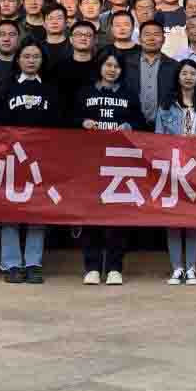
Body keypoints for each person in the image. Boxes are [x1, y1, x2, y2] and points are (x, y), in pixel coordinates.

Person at [0, 39, 60, 285]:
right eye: (26, 56)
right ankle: (11, 264)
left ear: (42, 61)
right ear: (18, 59)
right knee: (10, 210)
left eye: (36, 57)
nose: (31, 61)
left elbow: (59, 125)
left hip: (41, 159)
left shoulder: (51, 89)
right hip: (11, 158)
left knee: (37, 210)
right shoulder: (5, 87)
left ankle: (33, 263)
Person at [72, 47, 143, 286]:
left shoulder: (129, 94)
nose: (112, 70)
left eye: (117, 66)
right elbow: (70, 119)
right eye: (108, 65)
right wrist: (82, 122)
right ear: (100, 66)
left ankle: (114, 267)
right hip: (90, 161)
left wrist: (129, 127)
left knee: (117, 215)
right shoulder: (84, 92)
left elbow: (141, 122)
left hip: (120, 162)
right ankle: (92, 267)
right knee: (91, 213)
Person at [154, 60, 196, 286]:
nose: (188, 77)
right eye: (184, 73)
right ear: (178, 77)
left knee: (193, 218)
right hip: (172, 166)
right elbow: (158, 137)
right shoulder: (166, 104)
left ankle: (191, 267)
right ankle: (176, 267)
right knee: (173, 218)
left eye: (193, 73)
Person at [126, 20, 177, 128]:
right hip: (131, 125)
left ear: (164, 39)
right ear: (139, 39)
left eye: (156, 34)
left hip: (164, 127)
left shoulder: (174, 66)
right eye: (147, 34)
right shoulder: (126, 64)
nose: (151, 38)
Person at [39, 4, 71, 75]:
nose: (54, 22)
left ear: (66, 22)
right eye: (50, 18)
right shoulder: (37, 47)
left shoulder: (74, 47)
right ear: (44, 24)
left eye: (59, 18)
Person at [0, 19, 20, 83]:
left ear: (18, 38)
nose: (6, 39)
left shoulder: (27, 64)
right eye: (2, 34)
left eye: (11, 35)